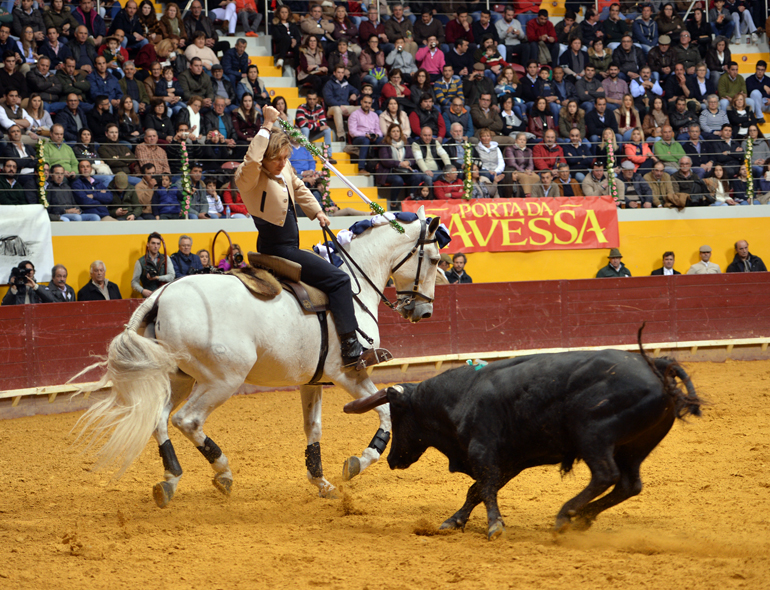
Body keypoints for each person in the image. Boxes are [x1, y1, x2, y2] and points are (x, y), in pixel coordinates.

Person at [233, 105, 377, 369]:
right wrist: (265, 125)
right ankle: (350, 347)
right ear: (265, 158)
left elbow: (298, 188)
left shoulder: (284, 168)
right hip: (279, 249)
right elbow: (251, 159)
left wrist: (317, 211)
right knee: (339, 280)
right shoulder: (248, 177)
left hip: (286, 246)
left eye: (286, 158)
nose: (283, 163)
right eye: (277, 159)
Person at [132, 232, 175, 297]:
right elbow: (134, 282)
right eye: (153, 243)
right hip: (149, 296)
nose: (156, 246)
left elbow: (172, 276)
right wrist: (142, 291)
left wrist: (157, 278)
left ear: (160, 245)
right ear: (148, 244)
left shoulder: (166, 258)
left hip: (164, 295)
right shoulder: (140, 262)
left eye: (158, 244)